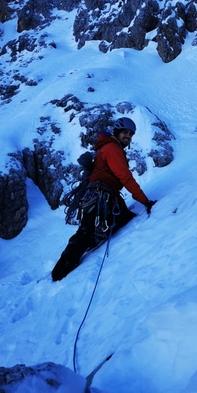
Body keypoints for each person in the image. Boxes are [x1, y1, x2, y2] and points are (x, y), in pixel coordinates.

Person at [52, 117, 156, 281]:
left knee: (121, 219)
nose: (128, 136)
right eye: (125, 132)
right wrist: (145, 201)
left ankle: (91, 241)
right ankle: (59, 273)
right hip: (101, 195)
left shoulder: (108, 148)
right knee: (85, 233)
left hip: (103, 194)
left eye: (130, 134)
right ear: (116, 132)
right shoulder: (112, 149)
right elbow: (125, 177)